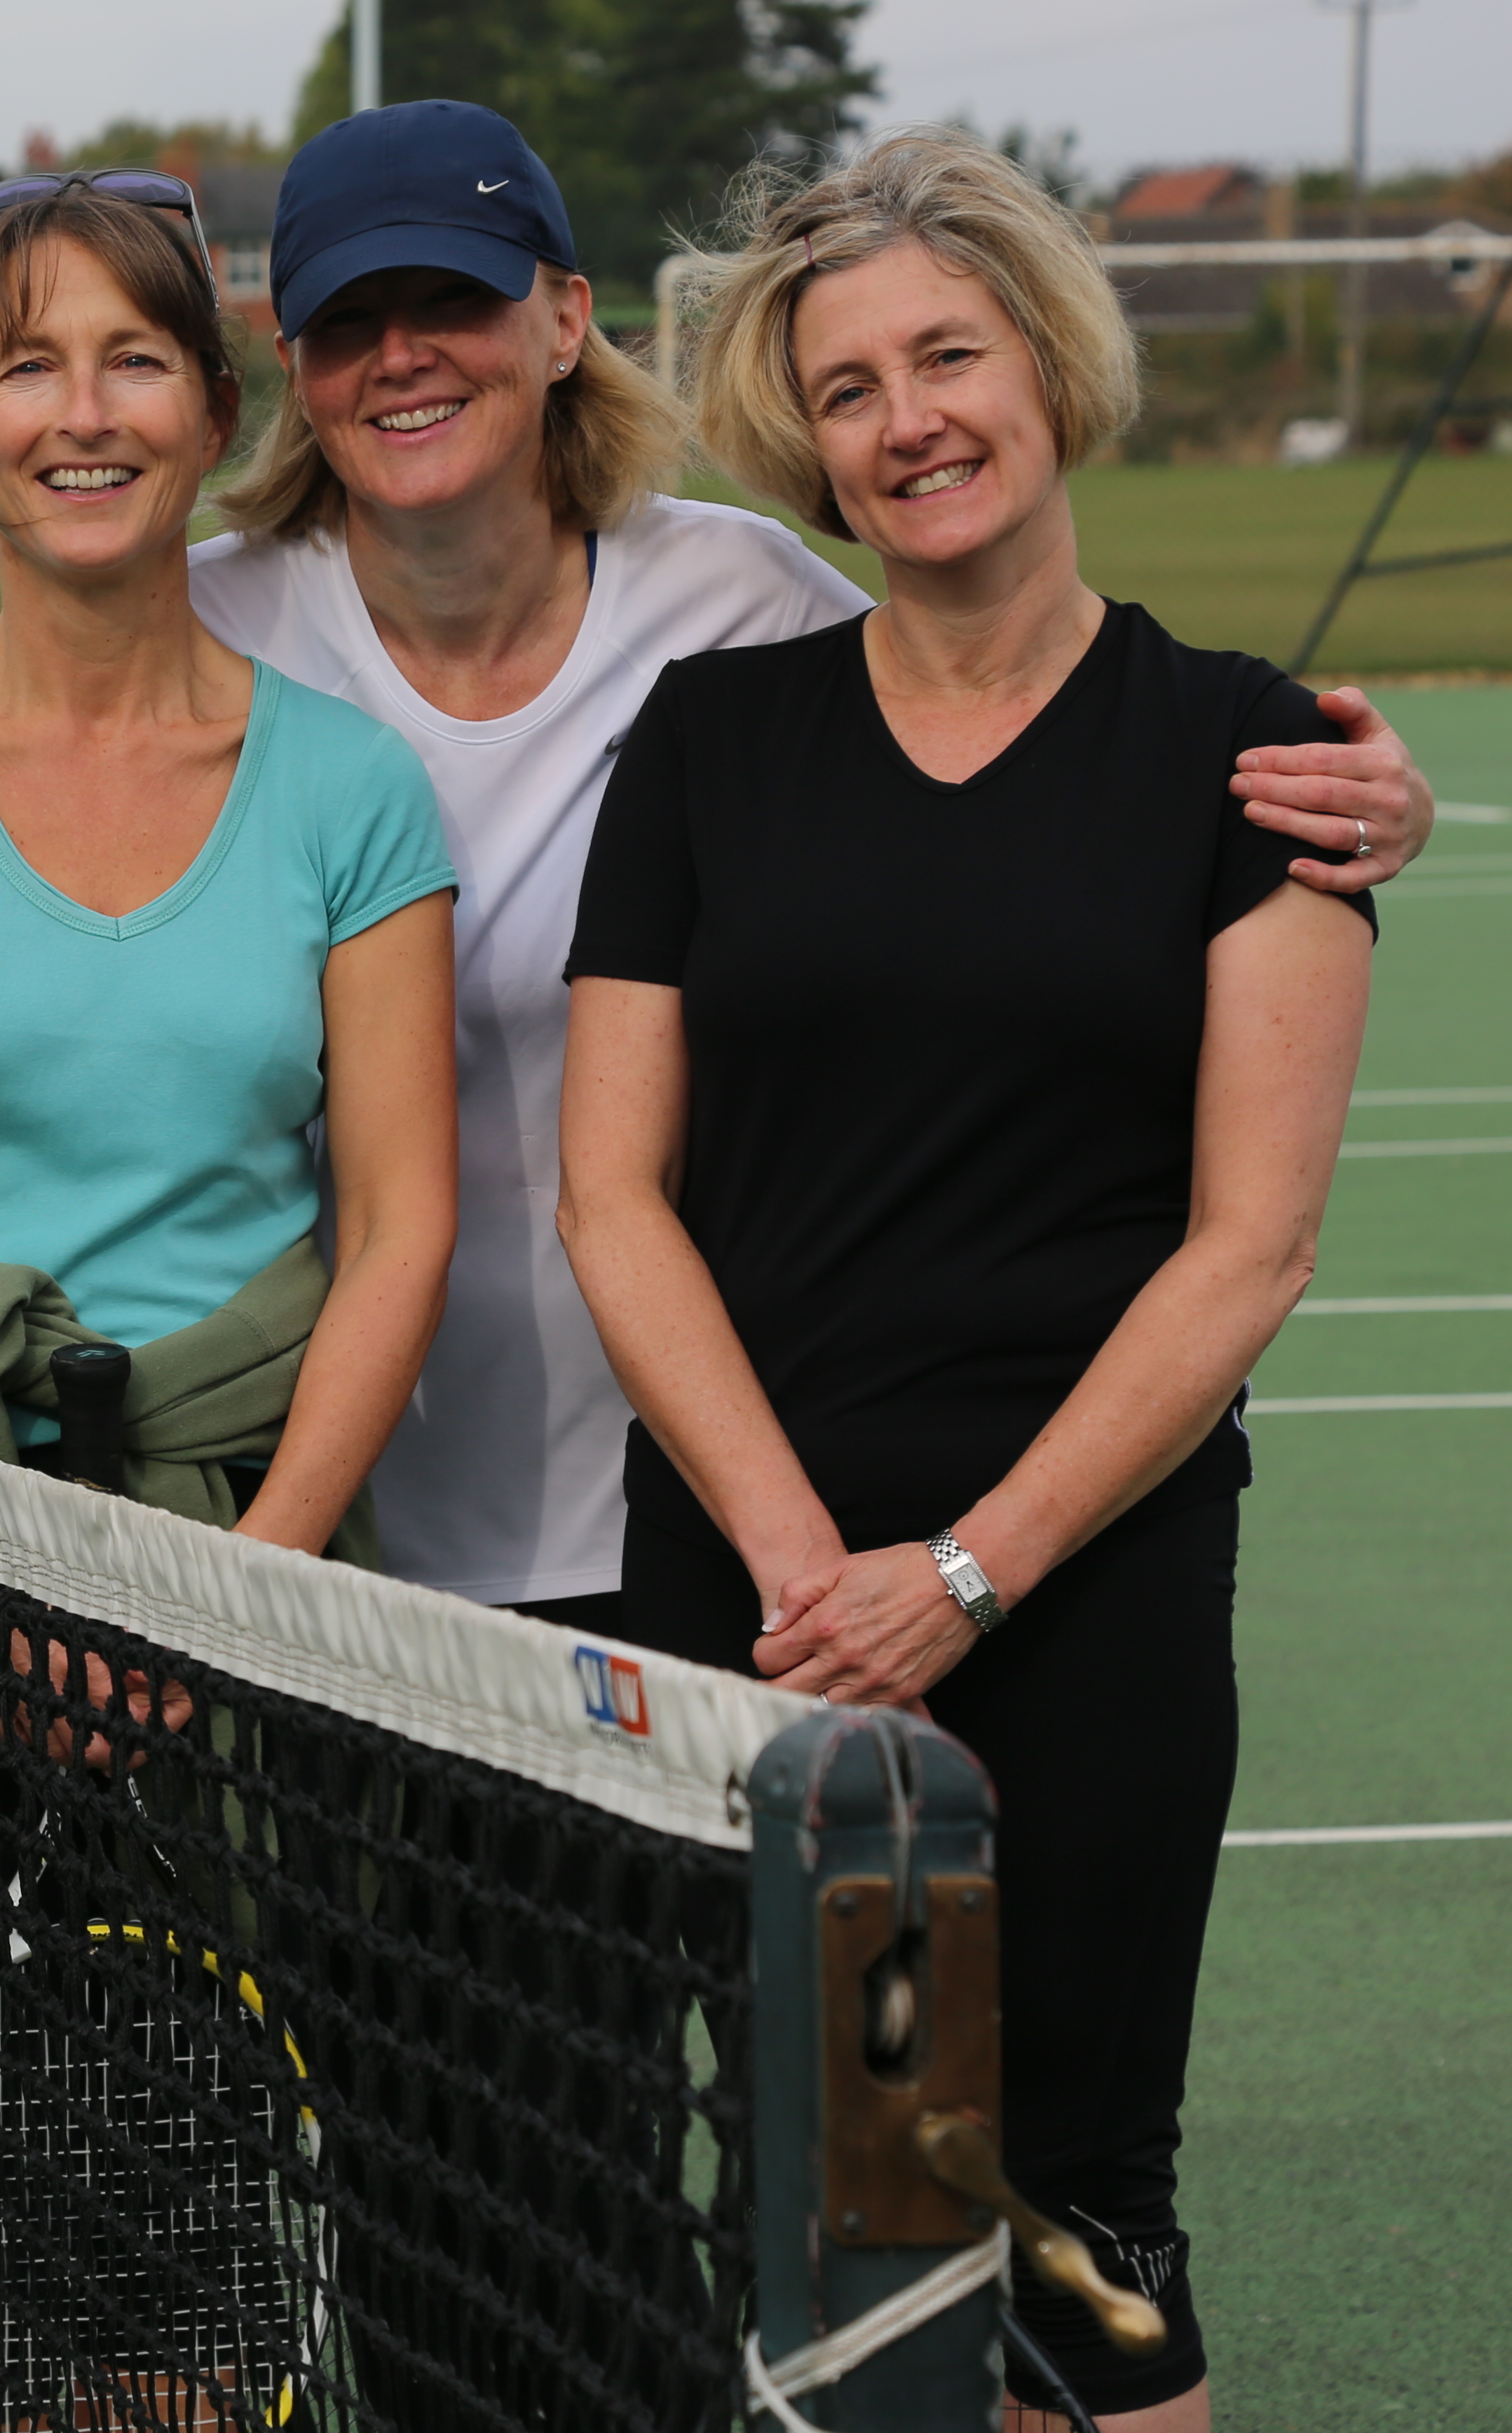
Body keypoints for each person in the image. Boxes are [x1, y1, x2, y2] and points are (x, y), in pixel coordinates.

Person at [188, 100, 1437, 1634]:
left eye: (454, 298)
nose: (404, 354)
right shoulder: (205, 638)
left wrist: (1356, 801)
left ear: (569, 319)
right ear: (289, 363)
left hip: (687, 1490)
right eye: (347, 319)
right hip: (319, 1496)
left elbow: (1004, 728)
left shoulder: (740, 604)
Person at [558, 129, 1377, 2433]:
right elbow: (609, 1197)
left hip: (1079, 1601)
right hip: (770, 1607)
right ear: (793, 440)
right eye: (845, 385)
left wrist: (962, 1572)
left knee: (1076, 2231)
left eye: (945, 351)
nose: (905, 415)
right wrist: (804, 1575)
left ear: (1045, 360)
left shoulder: (1259, 762)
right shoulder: (710, 743)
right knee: (862, 2215)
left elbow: (1249, 1245)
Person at [0, 174, 458, 1560]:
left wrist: (246, 1599)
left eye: (135, 360)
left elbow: (397, 1229)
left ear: (214, 413)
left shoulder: (354, 786)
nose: (86, 415)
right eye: (29, 368)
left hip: (261, 1547)